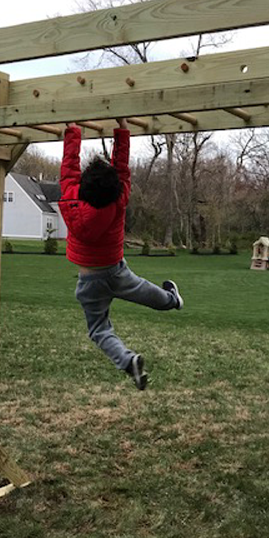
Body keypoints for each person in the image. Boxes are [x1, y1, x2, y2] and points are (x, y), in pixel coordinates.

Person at [59, 118, 183, 390]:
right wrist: (121, 127)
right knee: (143, 290)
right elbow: (122, 168)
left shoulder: (71, 198)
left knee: (99, 329)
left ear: (83, 186)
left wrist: (73, 132)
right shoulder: (119, 199)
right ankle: (172, 301)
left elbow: (69, 170)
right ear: (115, 187)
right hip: (115, 270)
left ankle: (128, 362)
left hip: (89, 278)